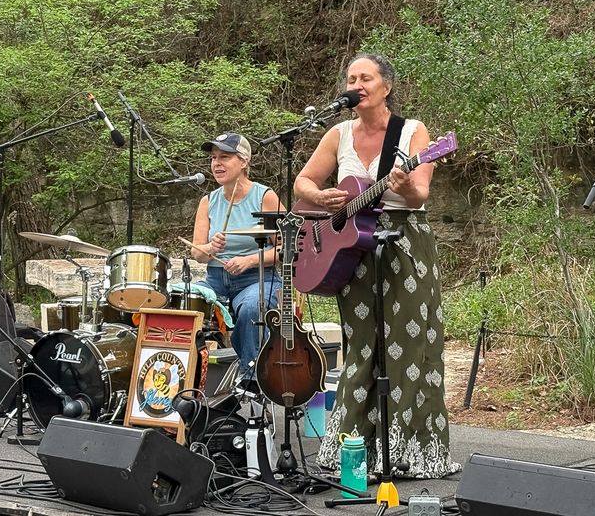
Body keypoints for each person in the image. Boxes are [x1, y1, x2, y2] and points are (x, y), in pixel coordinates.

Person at [293, 53, 460, 480]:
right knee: (362, 346)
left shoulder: (413, 132)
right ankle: (354, 448)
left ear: (386, 86)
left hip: (405, 243)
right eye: (351, 78)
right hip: (353, 249)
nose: (356, 84)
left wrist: (405, 183)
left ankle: (409, 451)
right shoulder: (339, 132)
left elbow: (420, 194)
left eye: (365, 77)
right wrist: (323, 198)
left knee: (409, 345)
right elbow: (302, 183)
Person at [190, 132, 283, 380]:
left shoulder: (265, 197)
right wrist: (211, 248)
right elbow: (197, 252)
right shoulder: (207, 201)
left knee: (252, 308)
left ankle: (251, 379)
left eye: (225, 157)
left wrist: (250, 260)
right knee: (183, 301)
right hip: (215, 280)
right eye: (213, 158)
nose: (216, 163)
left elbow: (289, 245)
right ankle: (186, 379)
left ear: (243, 161)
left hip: (257, 279)